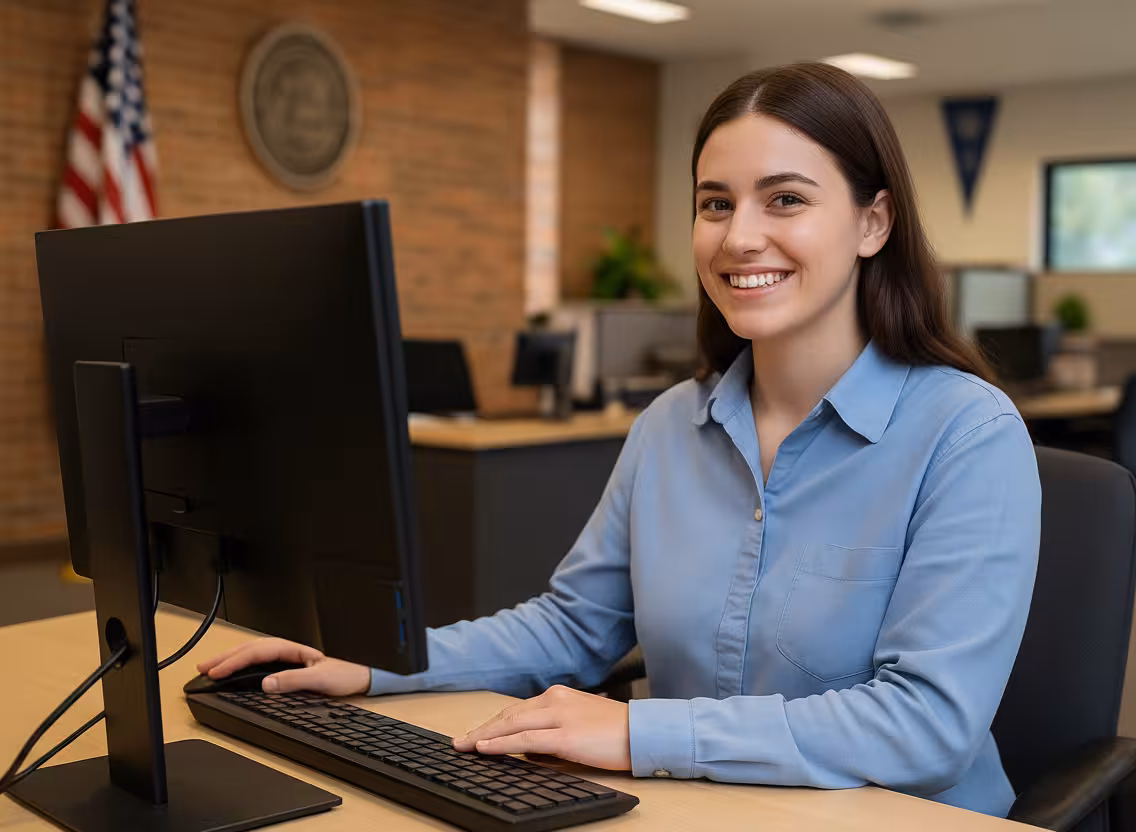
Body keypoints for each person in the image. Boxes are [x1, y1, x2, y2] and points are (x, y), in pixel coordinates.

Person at [198, 62, 1040, 817]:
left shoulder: (966, 435)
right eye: (716, 203)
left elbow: (927, 726)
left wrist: (642, 735)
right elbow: (570, 630)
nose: (740, 236)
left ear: (872, 223)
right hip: (702, 810)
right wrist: (377, 663)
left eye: (785, 198)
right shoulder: (672, 424)